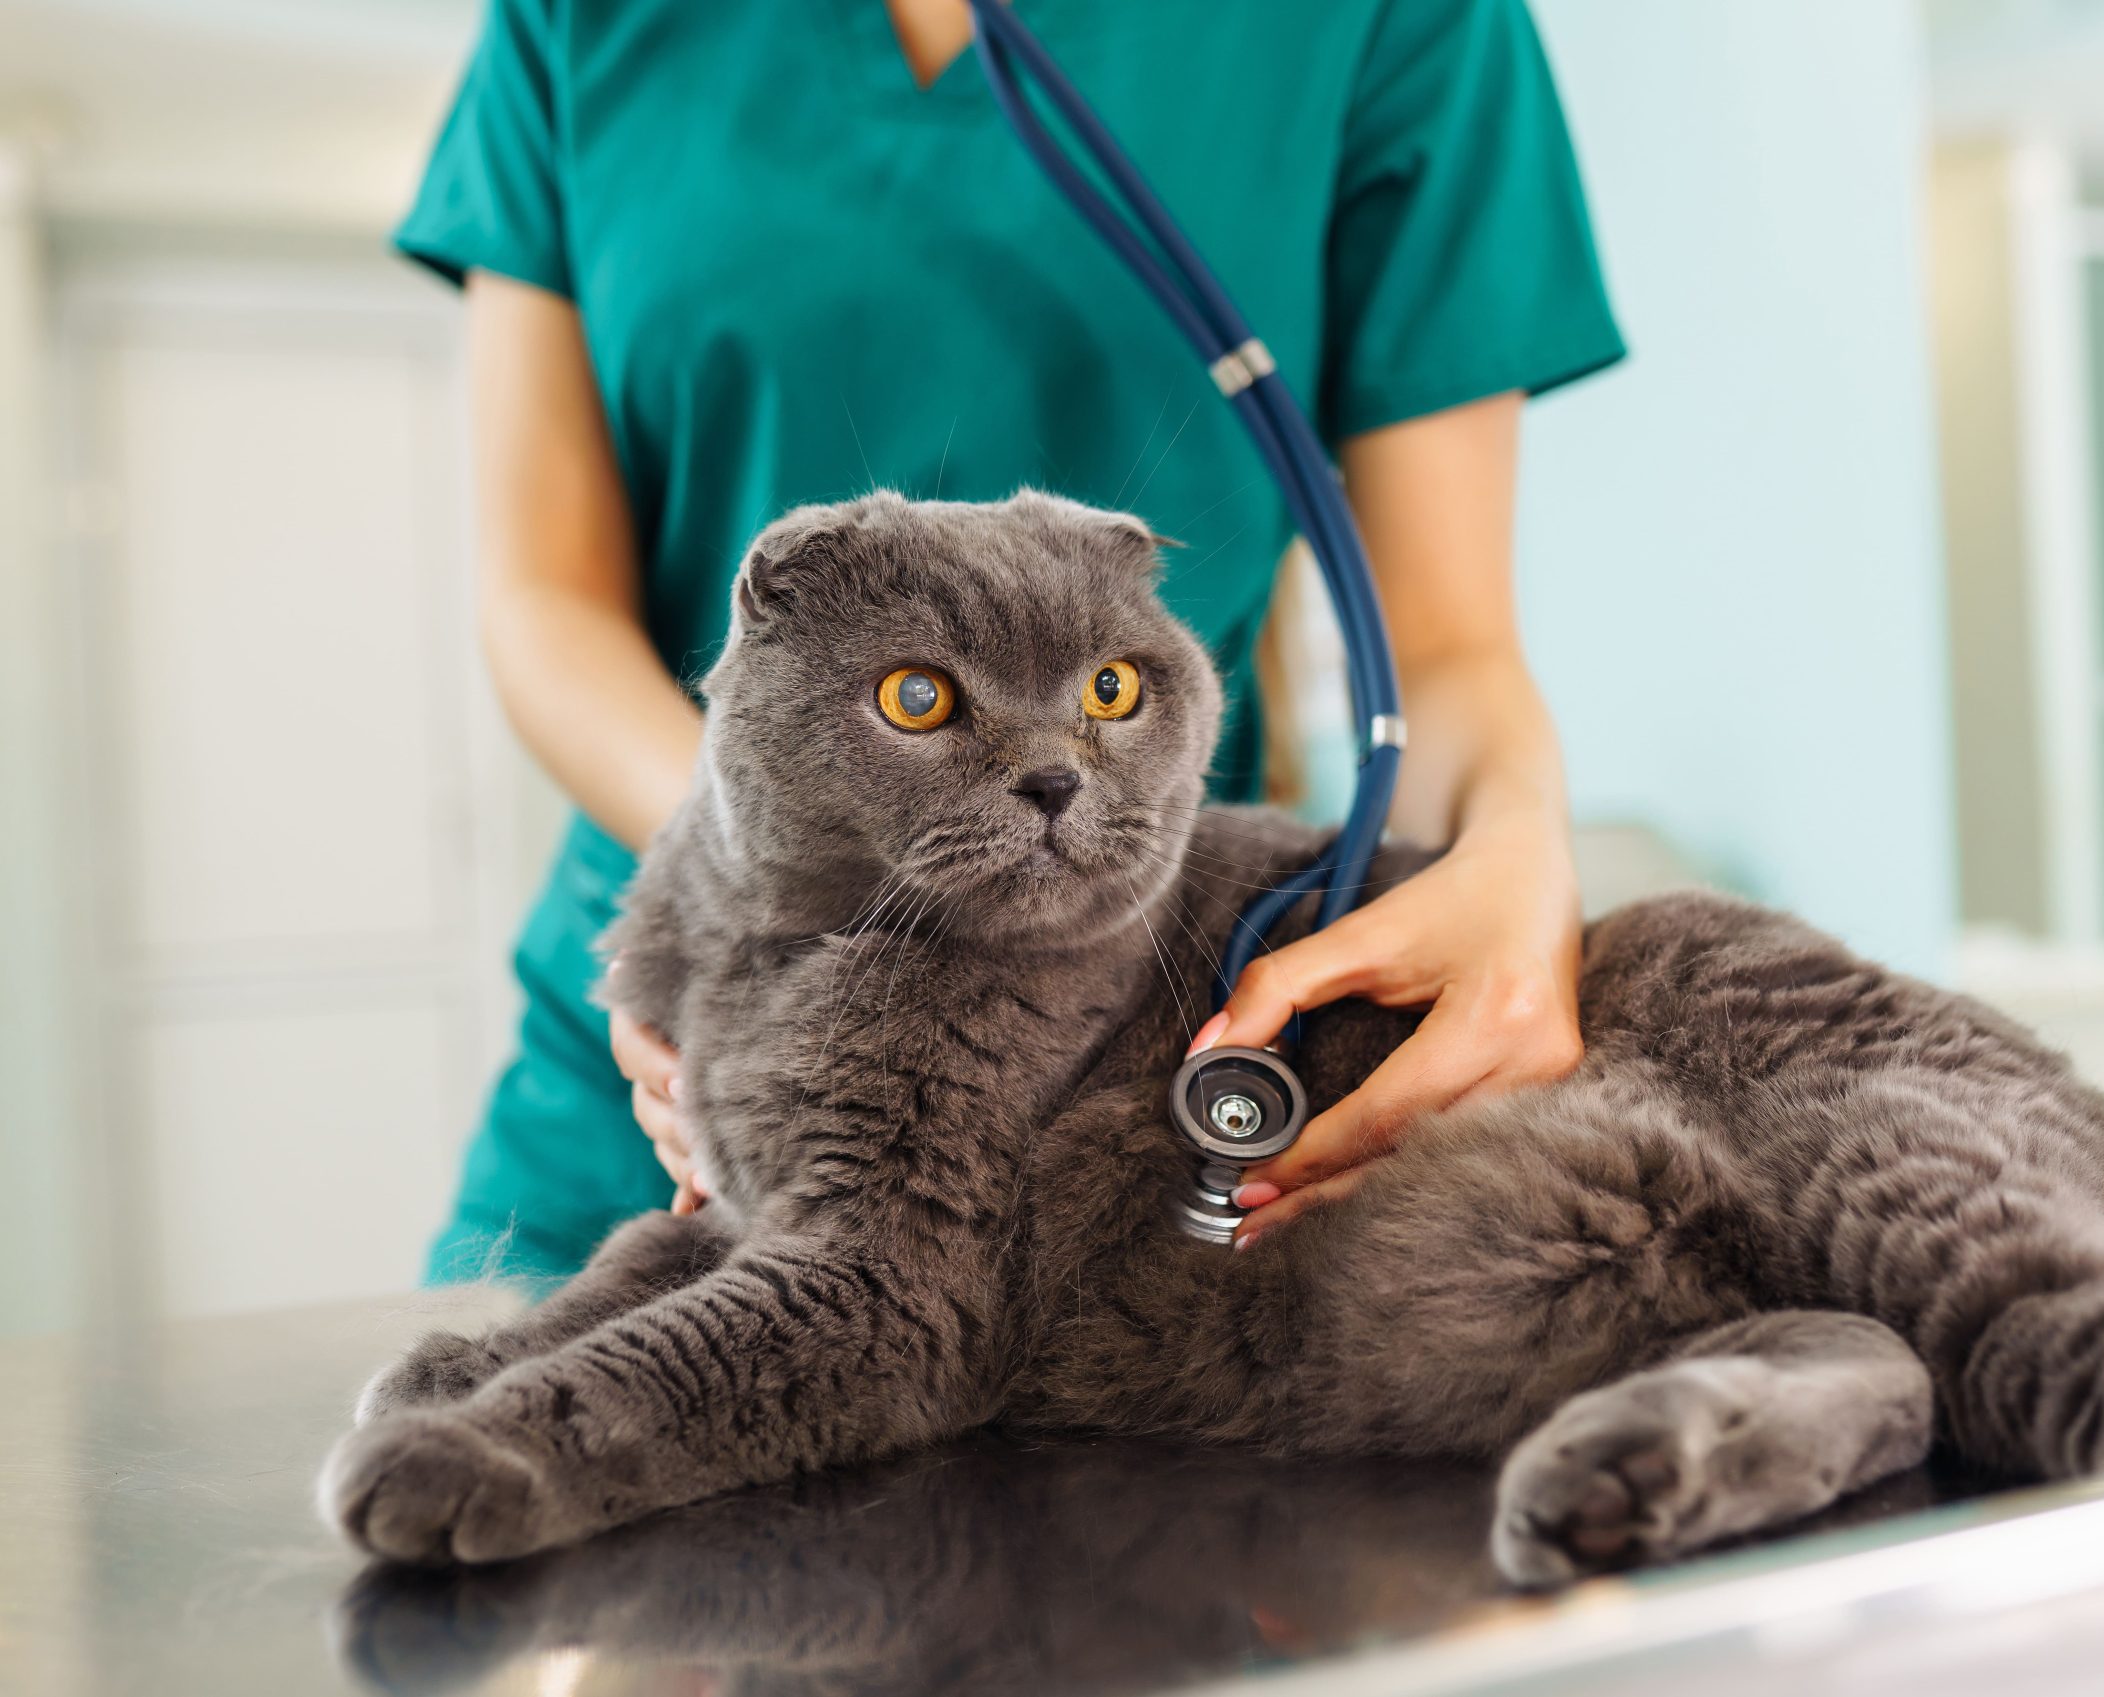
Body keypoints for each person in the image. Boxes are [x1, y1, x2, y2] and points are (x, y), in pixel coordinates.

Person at [398, 0, 1624, 1280]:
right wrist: (761, 906)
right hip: (683, 1036)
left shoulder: (1395, 23)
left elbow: (1442, 648)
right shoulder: (567, 23)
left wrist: (1520, 860)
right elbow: (545, 600)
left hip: (1135, 1038)